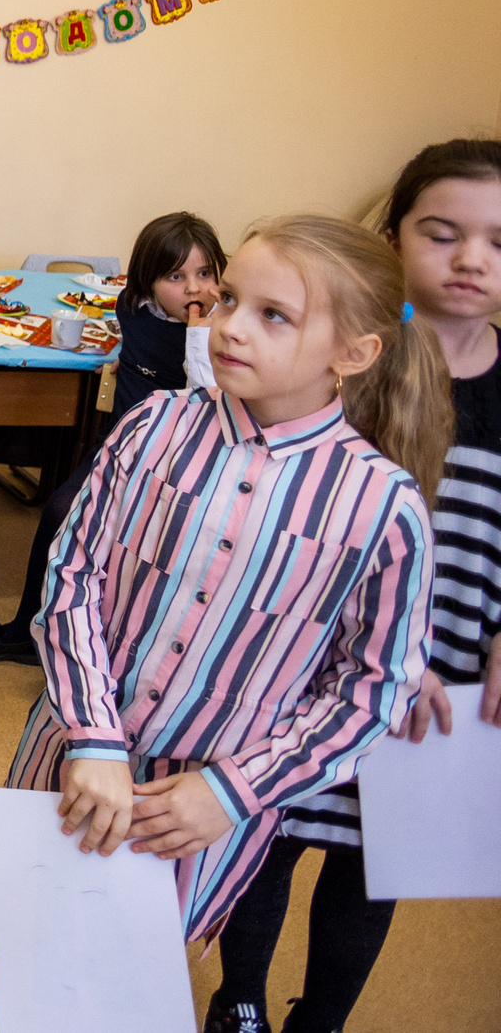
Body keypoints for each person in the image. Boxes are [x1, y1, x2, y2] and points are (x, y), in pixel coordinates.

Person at [0, 214, 444, 1011]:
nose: (228, 323)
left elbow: (371, 690)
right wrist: (93, 734)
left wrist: (229, 791)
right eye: (230, 297)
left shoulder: (384, 506)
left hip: (204, 792)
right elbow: (73, 574)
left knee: (120, 957)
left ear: (355, 352)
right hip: (80, 731)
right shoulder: (154, 427)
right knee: (23, 857)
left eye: (274, 314)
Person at [205, 142, 501, 1033]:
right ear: (395, 237)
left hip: (445, 672)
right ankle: (241, 1000)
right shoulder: (334, 362)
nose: (472, 259)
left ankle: (321, 1018)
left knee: (378, 869)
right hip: (311, 653)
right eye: (442, 233)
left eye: (497, 241)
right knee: (266, 838)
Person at [0, 212, 225, 666]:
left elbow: (212, 403)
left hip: (183, 454)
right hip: (121, 443)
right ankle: (26, 630)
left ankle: (101, 642)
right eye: (175, 276)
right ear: (146, 283)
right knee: (59, 513)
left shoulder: (221, 331)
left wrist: (199, 340)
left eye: (206, 274)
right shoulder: (131, 307)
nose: (193, 290)